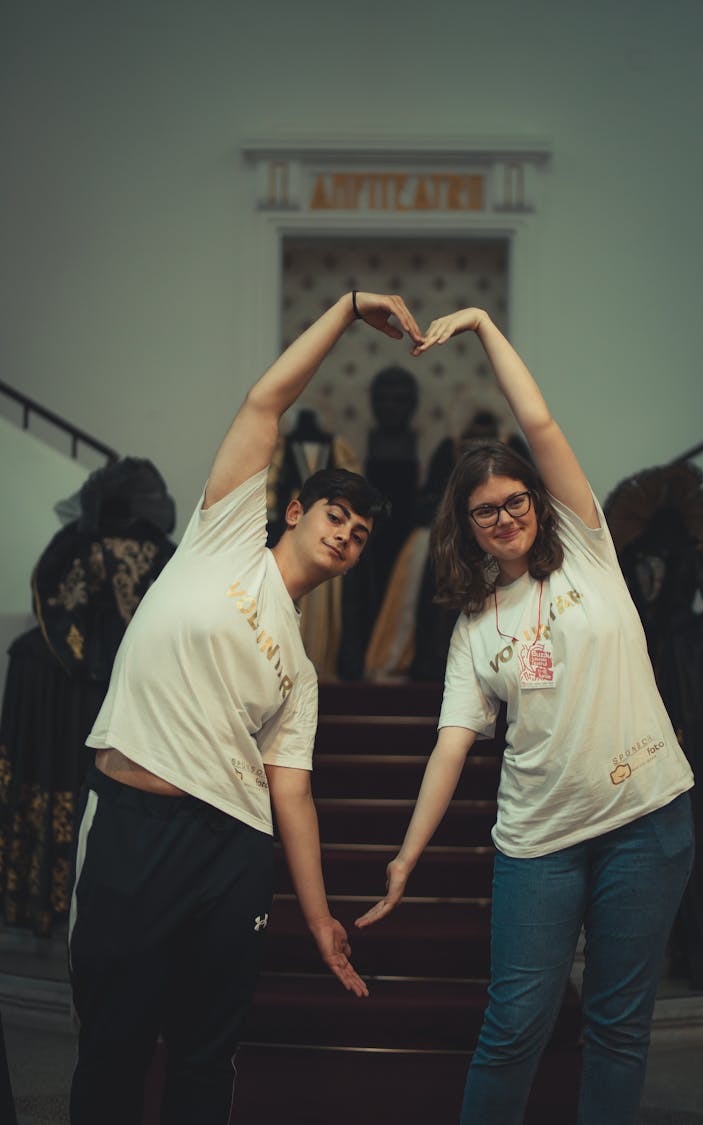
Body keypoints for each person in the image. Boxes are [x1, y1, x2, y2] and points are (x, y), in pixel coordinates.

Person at [67, 290, 423, 1125]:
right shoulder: (224, 536)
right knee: (112, 1044)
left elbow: (290, 790)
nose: (345, 535)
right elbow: (267, 400)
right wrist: (344, 312)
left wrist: (320, 913)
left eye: (361, 535)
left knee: (203, 1052)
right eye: (336, 515)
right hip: (131, 823)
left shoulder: (299, 669)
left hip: (230, 851)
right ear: (296, 510)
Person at [356, 306, 696, 1125]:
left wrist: (479, 323)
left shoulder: (587, 545)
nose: (505, 516)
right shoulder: (474, 626)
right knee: (514, 1029)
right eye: (485, 510)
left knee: (618, 1030)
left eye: (515, 500)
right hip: (537, 842)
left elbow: (537, 420)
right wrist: (405, 856)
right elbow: (449, 747)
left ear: (538, 502)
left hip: (646, 820)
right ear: (466, 527)